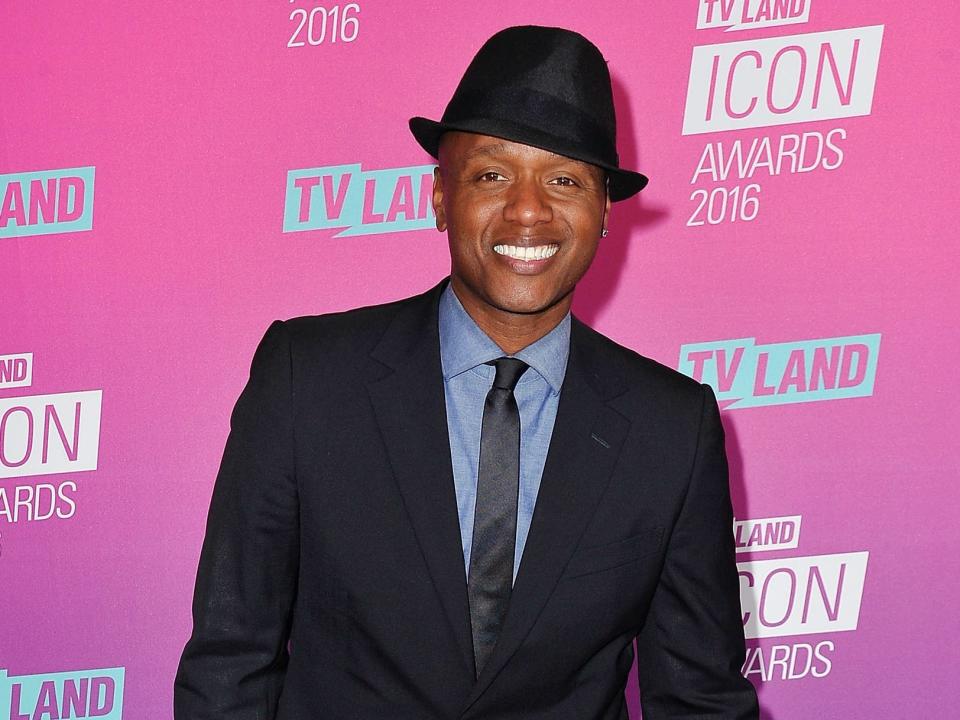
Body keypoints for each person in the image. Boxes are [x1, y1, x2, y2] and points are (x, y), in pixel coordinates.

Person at [174, 25, 759, 719]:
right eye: (491, 174)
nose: (529, 209)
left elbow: (701, 701)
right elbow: (230, 665)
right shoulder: (307, 379)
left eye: (565, 179)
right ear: (439, 196)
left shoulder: (672, 428)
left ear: (604, 210)